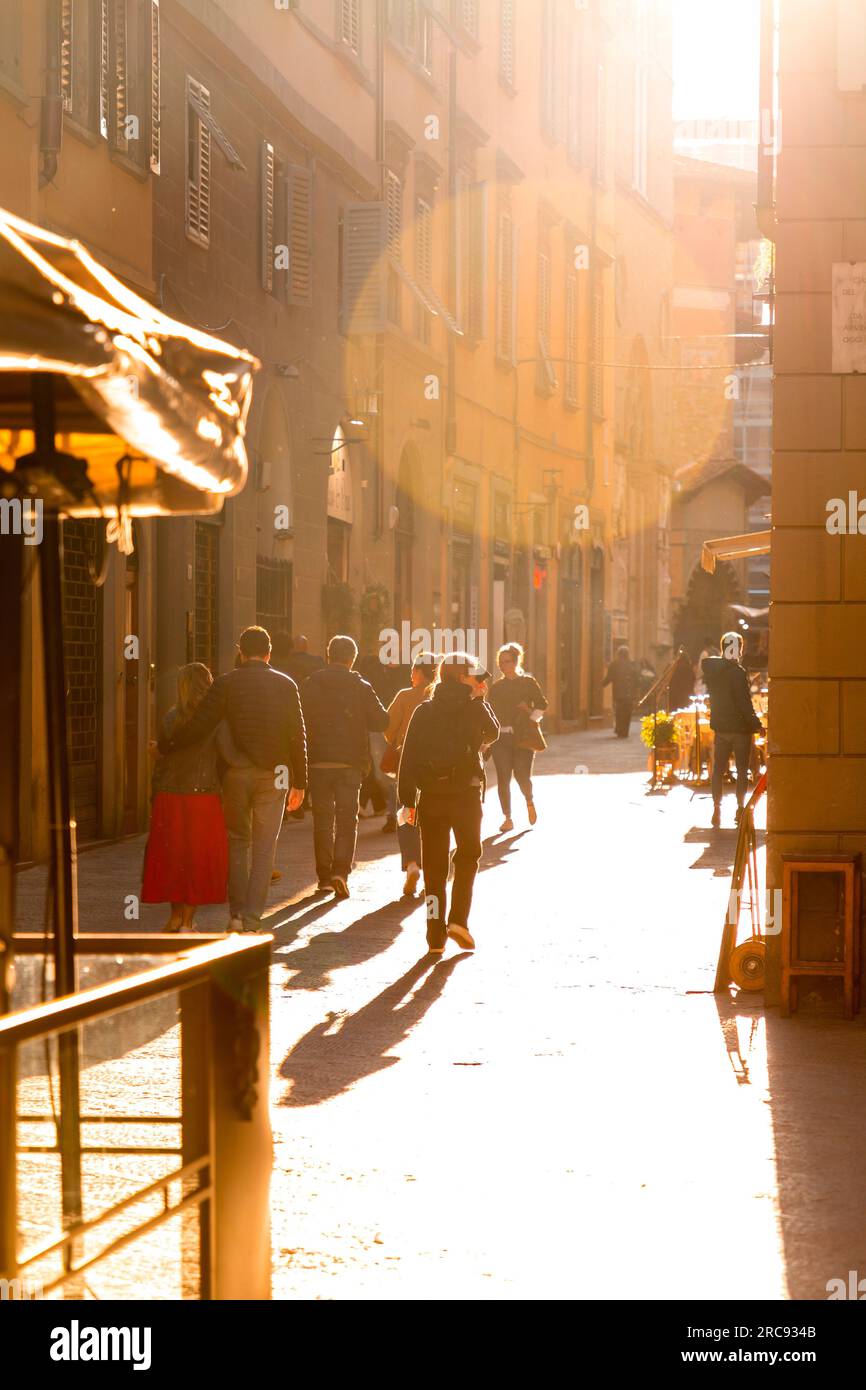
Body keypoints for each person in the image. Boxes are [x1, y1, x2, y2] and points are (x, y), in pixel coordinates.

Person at [158, 626, 306, 931]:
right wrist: (301, 782)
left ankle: (236, 915)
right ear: (268, 653)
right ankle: (252, 919)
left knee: (238, 843)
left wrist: (167, 744)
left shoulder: (225, 683)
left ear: (240, 652)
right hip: (275, 775)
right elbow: (297, 735)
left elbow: (200, 725)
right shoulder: (286, 685)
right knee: (265, 848)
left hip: (235, 774)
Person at [398, 652, 499, 954]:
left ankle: (434, 934)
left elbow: (408, 757)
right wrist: (480, 698)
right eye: (473, 674)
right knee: (468, 857)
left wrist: (406, 800)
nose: (478, 679)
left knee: (434, 870)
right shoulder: (475, 707)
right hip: (466, 797)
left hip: (431, 799)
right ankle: (458, 921)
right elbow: (493, 733)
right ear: (461, 677)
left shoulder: (424, 710)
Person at [301, 634, 389, 898]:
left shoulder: (309, 684)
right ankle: (341, 871)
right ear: (352, 659)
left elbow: (298, 720)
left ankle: (324, 877)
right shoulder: (360, 685)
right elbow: (381, 722)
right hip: (350, 762)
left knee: (323, 820)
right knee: (347, 819)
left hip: (317, 762)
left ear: (328, 655)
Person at [143, 663, 228, 932]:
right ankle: (188, 921)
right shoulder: (217, 719)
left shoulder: (170, 717)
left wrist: (154, 792)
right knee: (197, 859)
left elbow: (163, 759)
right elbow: (225, 755)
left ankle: (176, 917)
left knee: (173, 858)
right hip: (203, 796)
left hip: (169, 795)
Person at [386, 652, 440, 896]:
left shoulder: (404, 696)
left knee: (405, 812)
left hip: (406, 764)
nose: (411, 674)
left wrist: (398, 738)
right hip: (436, 767)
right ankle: (433, 872)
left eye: (413, 669)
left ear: (419, 672)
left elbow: (388, 730)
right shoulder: (439, 697)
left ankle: (411, 864)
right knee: (433, 820)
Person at [702, 631, 763, 830]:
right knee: (742, 771)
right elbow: (744, 704)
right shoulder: (738, 673)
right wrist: (756, 724)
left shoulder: (713, 672)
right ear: (739, 649)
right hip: (740, 730)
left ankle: (716, 808)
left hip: (721, 729)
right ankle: (739, 808)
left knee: (718, 770)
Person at [487, 642, 548, 831]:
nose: (503, 665)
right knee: (503, 778)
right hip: (501, 740)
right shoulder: (496, 687)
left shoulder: (528, 682)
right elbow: (490, 713)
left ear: (515, 662)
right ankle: (507, 817)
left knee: (522, 776)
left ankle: (529, 800)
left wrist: (530, 713)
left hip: (522, 738)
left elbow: (542, 705)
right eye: (500, 662)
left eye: (506, 661)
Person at [603, 645, 636, 739]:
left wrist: (602, 684)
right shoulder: (632, 664)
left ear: (618, 653)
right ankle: (625, 731)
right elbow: (637, 679)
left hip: (618, 694)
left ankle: (619, 730)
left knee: (619, 712)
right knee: (627, 713)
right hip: (629, 694)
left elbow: (609, 677)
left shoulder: (614, 664)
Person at [667, 647, 695, 712]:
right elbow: (693, 679)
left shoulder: (673, 668)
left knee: (674, 712)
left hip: (674, 695)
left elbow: (668, 680)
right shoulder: (688, 668)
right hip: (686, 695)